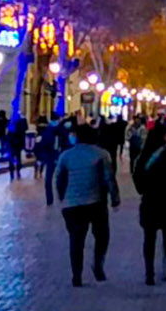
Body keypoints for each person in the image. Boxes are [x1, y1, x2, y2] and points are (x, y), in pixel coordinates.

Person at [55, 123, 119, 286]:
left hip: (72, 205)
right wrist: (115, 199)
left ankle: (77, 275)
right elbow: (109, 178)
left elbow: (59, 179)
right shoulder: (101, 154)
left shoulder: (66, 156)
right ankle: (98, 265)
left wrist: (63, 198)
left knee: (76, 241)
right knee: (102, 236)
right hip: (95, 202)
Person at [133, 120, 166, 285]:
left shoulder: (143, 157)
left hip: (149, 202)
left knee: (149, 238)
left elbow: (137, 178)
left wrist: (143, 190)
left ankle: (149, 273)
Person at [36, 116, 65, 204]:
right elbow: (41, 146)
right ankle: (56, 197)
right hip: (53, 157)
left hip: (54, 157)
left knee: (54, 178)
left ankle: (55, 198)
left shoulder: (50, 131)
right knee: (55, 178)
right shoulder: (53, 132)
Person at [6, 114, 29, 180]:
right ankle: (13, 172)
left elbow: (23, 131)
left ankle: (16, 171)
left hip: (16, 143)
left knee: (16, 157)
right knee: (13, 158)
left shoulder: (21, 121)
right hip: (13, 143)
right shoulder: (12, 122)